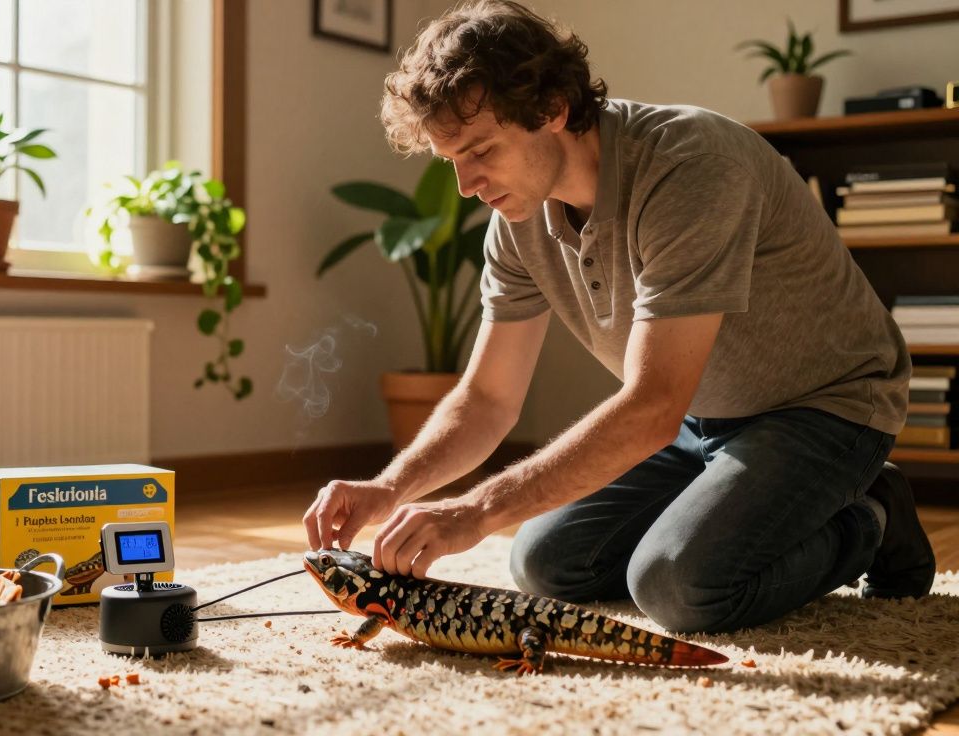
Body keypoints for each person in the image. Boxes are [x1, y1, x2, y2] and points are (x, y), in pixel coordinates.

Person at [302, 0, 936, 634]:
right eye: (452, 161)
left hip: (826, 408)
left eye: (482, 150)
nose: (467, 185)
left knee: (677, 586)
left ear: (552, 109)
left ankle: (873, 517)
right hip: (699, 416)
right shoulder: (518, 219)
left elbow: (652, 405)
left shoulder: (690, 167)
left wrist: (474, 511)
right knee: (546, 563)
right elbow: (488, 399)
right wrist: (389, 488)